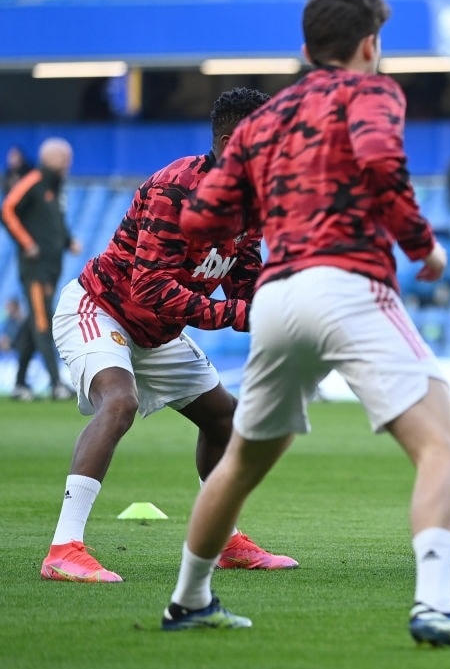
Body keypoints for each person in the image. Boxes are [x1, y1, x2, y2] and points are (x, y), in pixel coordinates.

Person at [158, 0, 450, 650]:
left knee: (241, 459)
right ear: (369, 44)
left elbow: (200, 215)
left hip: (275, 295)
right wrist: (423, 246)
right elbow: (382, 160)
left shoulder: (259, 121)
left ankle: (188, 599)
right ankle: (436, 603)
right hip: (349, 284)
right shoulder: (371, 90)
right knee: (443, 443)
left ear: (304, 47)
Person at [41, 88, 297, 584]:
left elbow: (245, 279)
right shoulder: (176, 191)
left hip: (158, 332)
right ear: (229, 141)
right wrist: (236, 315)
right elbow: (150, 286)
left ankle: (223, 539)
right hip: (103, 308)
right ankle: (64, 548)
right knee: (119, 403)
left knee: (226, 418)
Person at [0, 137, 79, 402]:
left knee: (32, 323)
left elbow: (55, 220)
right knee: (43, 321)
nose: (69, 163)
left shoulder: (55, 186)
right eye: (66, 158)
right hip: (35, 268)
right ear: (53, 159)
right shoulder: (32, 181)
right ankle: (56, 383)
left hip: (52, 267)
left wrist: (68, 241)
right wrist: (27, 243)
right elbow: (6, 209)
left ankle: (20, 384)